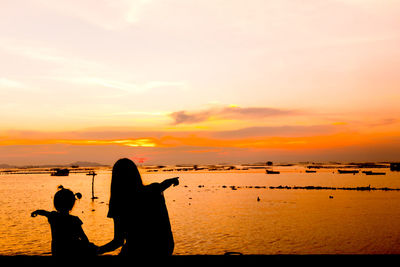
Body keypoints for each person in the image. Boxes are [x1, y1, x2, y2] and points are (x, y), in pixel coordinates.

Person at [97, 158, 179, 256]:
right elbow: (163, 185)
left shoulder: (118, 203)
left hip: (136, 250)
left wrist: (97, 251)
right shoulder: (153, 190)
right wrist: (172, 181)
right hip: (164, 248)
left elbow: (118, 241)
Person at [31, 185, 97, 257]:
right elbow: (84, 239)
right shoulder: (74, 220)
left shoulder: (53, 217)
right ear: (72, 205)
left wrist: (36, 212)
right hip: (72, 251)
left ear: (56, 204)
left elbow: (43, 212)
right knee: (92, 247)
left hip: (57, 252)